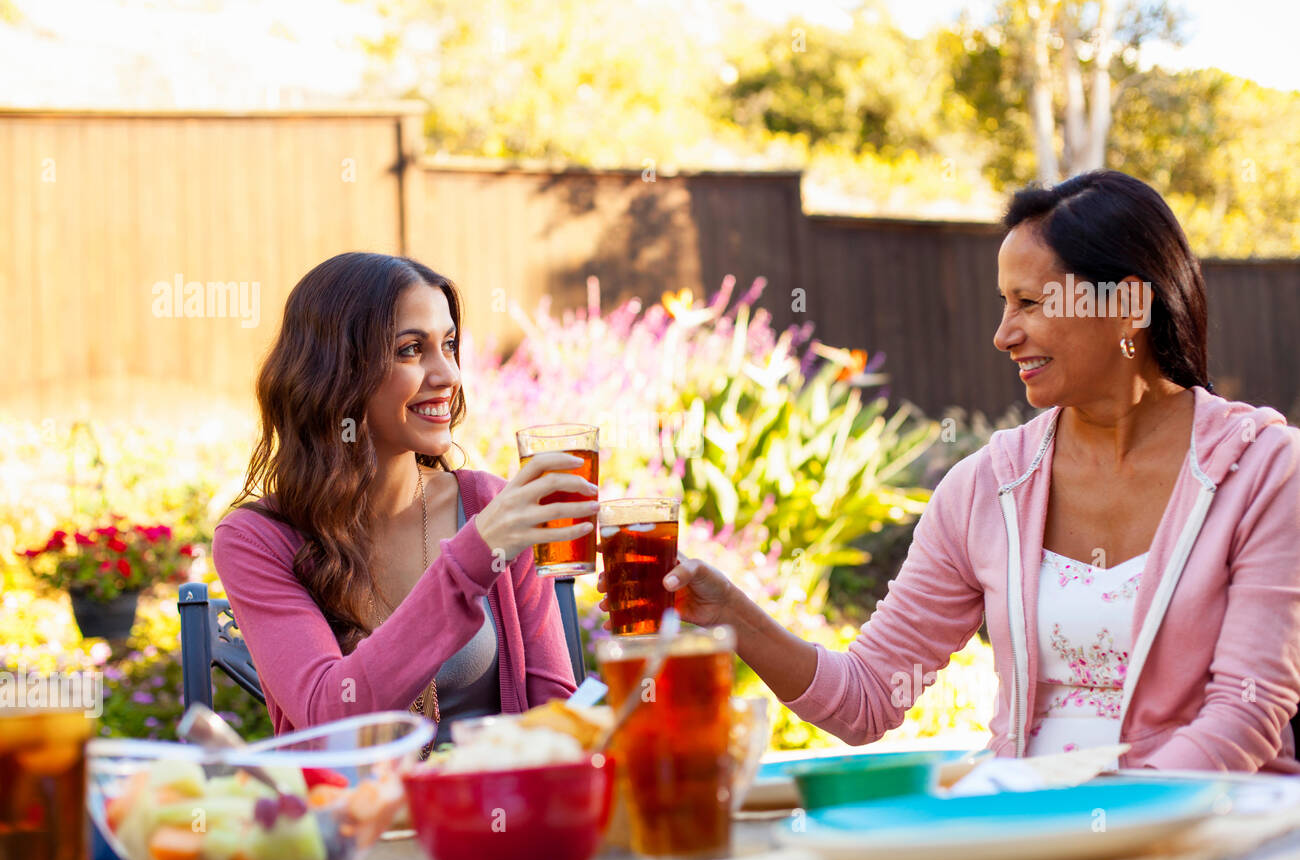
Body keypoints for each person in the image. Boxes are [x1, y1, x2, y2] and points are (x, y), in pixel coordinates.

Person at [622, 170, 1300, 773]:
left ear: (1126, 307)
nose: (1004, 334)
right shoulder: (985, 488)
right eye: (1005, 305)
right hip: (1031, 830)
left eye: (1030, 304)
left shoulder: (1264, 471)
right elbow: (867, 699)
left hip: (1212, 831)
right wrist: (731, 614)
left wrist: (1114, 821)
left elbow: (1246, 709)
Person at [212, 252, 597, 745]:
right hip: (358, 820)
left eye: (450, 345)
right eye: (412, 349)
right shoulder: (258, 540)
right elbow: (330, 713)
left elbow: (556, 716)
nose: (449, 375)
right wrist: (474, 556)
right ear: (335, 371)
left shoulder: (487, 506)